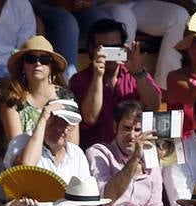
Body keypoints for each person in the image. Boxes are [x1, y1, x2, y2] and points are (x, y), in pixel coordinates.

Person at [2, 96, 88, 206]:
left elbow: (86, 199)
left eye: (66, 124)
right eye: (54, 121)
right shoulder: (22, 143)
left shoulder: (77, 154)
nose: (60, 128)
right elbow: (25, 168)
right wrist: (42, 119)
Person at [69, 18, 161, 151]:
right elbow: (90, 117)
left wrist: (138, 73)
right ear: (91, 49)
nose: (109, 54)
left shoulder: (136, 73)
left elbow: (154, 106)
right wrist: (97, 76)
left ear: (123, 48)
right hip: (96, 156)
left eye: (115, 48)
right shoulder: (80, 80)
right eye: (104, 48)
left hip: (132, 153)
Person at [85, 99, 164, 206]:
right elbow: (107, 197)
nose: (132, 136)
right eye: (127, 128)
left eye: (137, 130)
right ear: (116, 127)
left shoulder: (152, 164)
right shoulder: (99, 153)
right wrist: (135, 159)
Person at [0, 35, 68, 143]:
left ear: (51, 67)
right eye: (30, 59)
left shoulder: (66, 97)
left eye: (44, 59)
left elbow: (73, 146)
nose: (38, 63)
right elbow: (16, 147)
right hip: (24, 158)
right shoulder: (12, 101)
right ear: (22, 66)